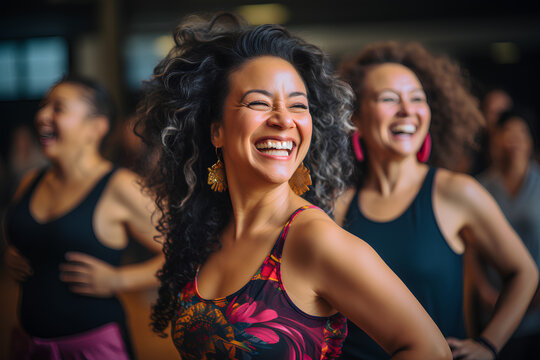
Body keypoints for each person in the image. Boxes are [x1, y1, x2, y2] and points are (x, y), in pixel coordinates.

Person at [136, 13, 452, 360]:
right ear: (216, 130)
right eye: (258, 102)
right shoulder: (206, 231)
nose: (284, 119)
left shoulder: (314, 239)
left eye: (298, 106)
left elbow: (430, 351)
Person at [335, 41, 538, 360]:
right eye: (389, 98)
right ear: (355, 118)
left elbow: (524, 272)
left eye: (417, 98)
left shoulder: (456, 192)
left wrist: (488, 345)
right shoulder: (340, 204)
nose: (407, 109)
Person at [2, 75, 164, 360]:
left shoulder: (119, 186)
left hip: (94, 348)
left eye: (58, 108)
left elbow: (187, 252)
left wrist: (119, 280)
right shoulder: (30, 181)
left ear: (95, 127)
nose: (41, 115)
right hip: (28, 345)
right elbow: (31, 237)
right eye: (43, 106)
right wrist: (12, 254)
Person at [473, 110, 540, 359]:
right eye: (508, 131)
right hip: (493, 304)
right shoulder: (480, 187)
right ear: (496, 138)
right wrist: (483, 290)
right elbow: (472, 249)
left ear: (531, 140)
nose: (515, 138)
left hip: (536, 307)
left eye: (522, 132)